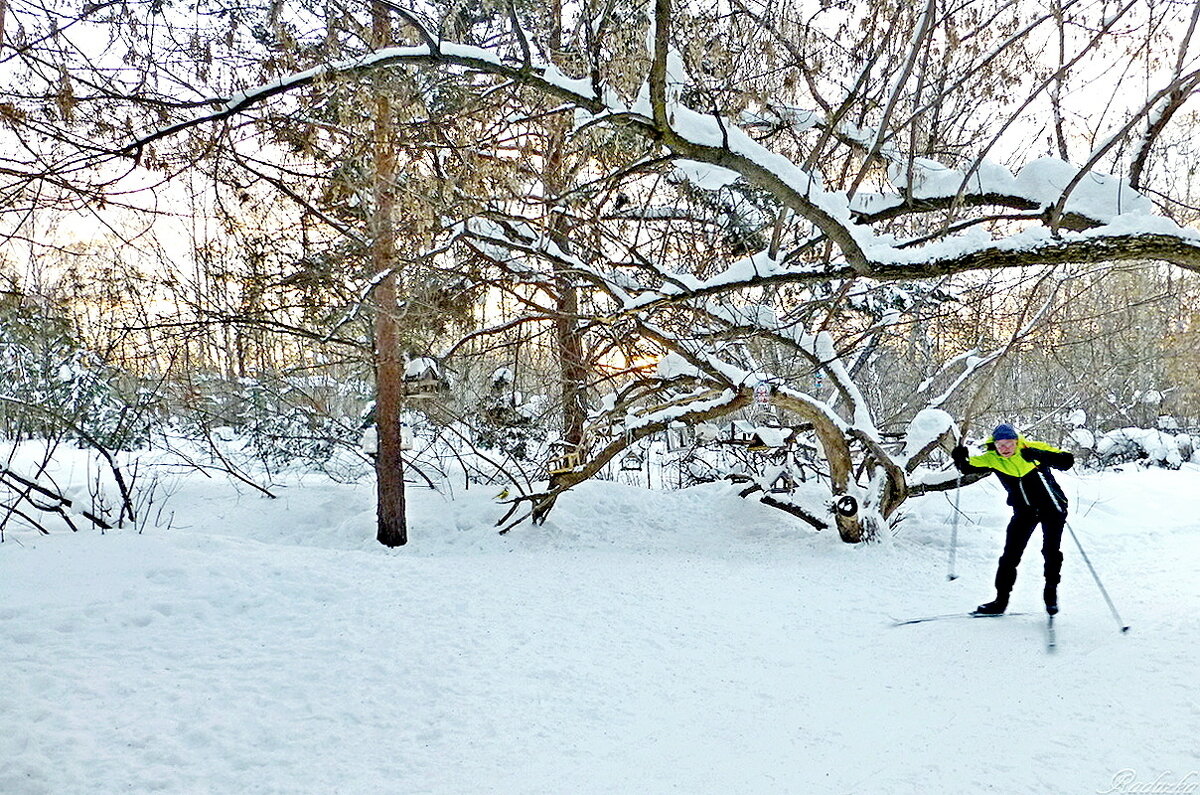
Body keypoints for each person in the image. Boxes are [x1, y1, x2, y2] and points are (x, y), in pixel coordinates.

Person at [951, 423, 1075, 616]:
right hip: (1024, 511)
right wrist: (959, 457)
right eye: (1000, 445)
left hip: (1052, 506)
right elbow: (966, 467)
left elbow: (1067, 461)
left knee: (1050, 551)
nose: (1005, 448)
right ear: (995, 445)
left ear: (1016, 441)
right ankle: (1000, 601)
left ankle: (1050, 591)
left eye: (1009, 443)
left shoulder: (1032, 449)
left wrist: (1039, 455)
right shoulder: (993, 459)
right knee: (1010, 556)